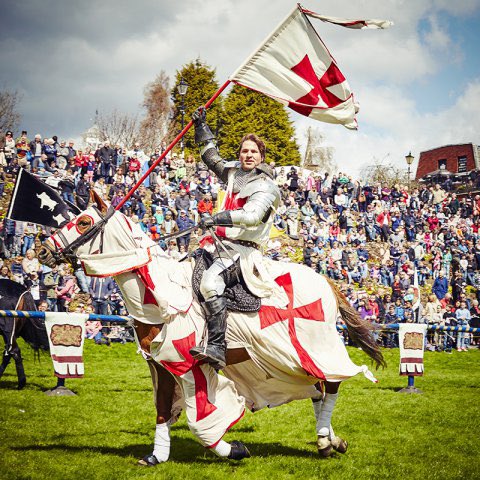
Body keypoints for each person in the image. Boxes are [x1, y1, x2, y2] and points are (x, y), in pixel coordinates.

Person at [188, 107, 280, 369]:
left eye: (253, 151)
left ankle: (217, 346)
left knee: (209, 282)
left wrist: (215, 218)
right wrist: (201, 126)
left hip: (243, 251)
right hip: (219, 246)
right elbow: (211, 157)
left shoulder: (266, 186)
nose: (248, 155)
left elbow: (251, 216)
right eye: (244, 150)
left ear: (261, 156)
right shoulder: (233, 173)